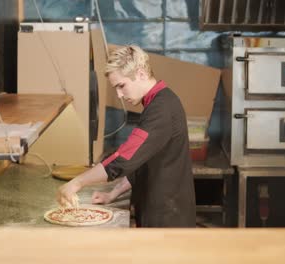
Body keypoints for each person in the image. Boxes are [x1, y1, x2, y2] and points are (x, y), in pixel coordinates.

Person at [57, 45, 196, 227]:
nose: (119, 95)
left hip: (167, 220)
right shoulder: (157, 103)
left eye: (121, 86)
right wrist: (112, 194)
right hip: (160, 211)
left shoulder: (161, 110)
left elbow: (123, 159)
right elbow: (142, 159)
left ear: (141, 74)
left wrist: (77, 183)